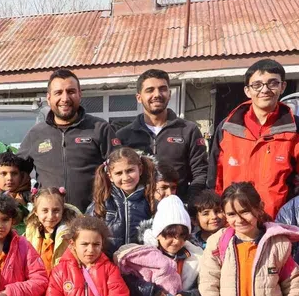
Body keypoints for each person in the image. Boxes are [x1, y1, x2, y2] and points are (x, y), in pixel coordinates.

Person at [17, 69, 119, 212]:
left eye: (71, 92)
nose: (65, 98)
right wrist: (29, 196)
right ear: (49, 98)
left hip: (92, 217)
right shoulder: (36, 134)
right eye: (58, 93)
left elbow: (120, 169)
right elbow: (16, 171)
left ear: (80, 94)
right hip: (50, 219)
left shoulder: (100, 128)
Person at [209, 59, 299, 218]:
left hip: (279, 223)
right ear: (247, 90)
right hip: (235, 222)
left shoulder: (295, 128)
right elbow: (215, 179)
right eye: (257, 85)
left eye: (273, 83)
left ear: (283, 86)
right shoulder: (228, 127)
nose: (265, 90)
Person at [117, 69, 208, 202]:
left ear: (169, 94)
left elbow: (200, 172)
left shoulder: (189, 130)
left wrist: (189, 204)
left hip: (176, 207)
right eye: (150, 90)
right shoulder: (124, 136)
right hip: (136, 209)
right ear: (139, 97)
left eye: (162, 89)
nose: (157, 94)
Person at [87, 147, 156, 254]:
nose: (126, 177)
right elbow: (87, 234)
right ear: (110, 176)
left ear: (140, 170)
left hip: (142, 261)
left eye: (130, 170)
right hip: (109, 261)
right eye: (119, 173)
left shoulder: (151, 199)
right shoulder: (102, 201)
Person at [25, 187, 80, 274]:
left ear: (62, 210)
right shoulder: (31, 232)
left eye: (56, 210)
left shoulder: (71, 234)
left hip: (62, 279)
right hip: (38, 278)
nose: (50, 216)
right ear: (36, 211)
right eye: (45, 210)